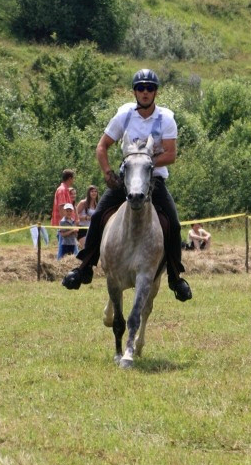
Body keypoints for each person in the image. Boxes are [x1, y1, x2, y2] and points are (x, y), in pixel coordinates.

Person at [62, 68, 193, 302]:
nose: (145, 92)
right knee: (100, 214)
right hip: (125, 179)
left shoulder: (166, 118)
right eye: (140, 88)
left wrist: (144, 161)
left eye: (149, 88)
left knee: (173, 222)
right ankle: (84, 267)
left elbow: (171, 154)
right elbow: (102, 146)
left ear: (156, 92)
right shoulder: (124, 114)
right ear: (134, 91)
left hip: (153, 181)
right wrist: (107, 173)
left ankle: (175, 277)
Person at [52, 169, 75, 255]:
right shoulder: (62, 190)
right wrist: (66, 223)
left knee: (69, 250)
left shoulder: (65, 189)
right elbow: (62, 208)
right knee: (63, 251)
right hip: (64, 225)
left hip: (67, 224)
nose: (73, 180)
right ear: (70, 178)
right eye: (73, 178)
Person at [75, 185, 98, 250]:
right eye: (92, 191)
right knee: (86, 249)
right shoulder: (83, 203)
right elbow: (75, 215)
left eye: (95, 191)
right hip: (82, 229)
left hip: (92, 229)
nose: (94, 193)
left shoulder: (97, 204)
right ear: (88, 193)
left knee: (93, 249)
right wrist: (86, 217)